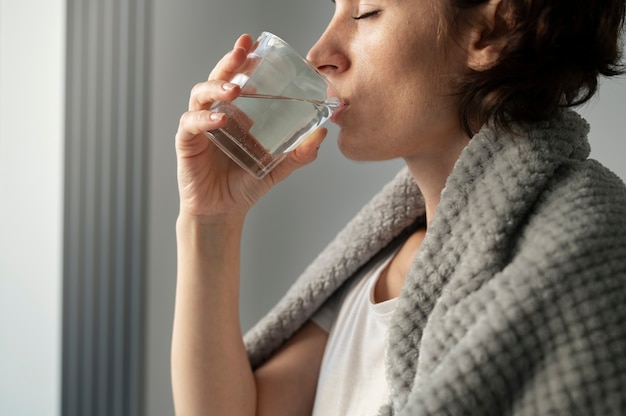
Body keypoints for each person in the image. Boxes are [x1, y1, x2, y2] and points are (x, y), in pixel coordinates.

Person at [171, 0, 626, 414]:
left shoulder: (584, 251)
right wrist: (210, 220)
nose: (318, 54)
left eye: (366, 11)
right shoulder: (379, 272)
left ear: (491, 32)